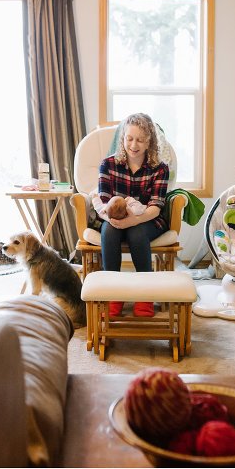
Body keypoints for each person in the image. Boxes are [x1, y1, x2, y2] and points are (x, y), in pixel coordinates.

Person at [97, 113, 169, 318]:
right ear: (123, 138)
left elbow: (155, 207)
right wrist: (116, 220)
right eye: (129, 138)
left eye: (140, 140)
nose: (134, 145)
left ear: (149, 142)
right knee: (109, 231)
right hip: (114, 220)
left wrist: (133, 220)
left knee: (137, 232)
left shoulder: (160, 169)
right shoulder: (108, 164)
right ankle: (113, 293)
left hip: (148, 220)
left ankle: (144, 294)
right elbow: (103, 202)